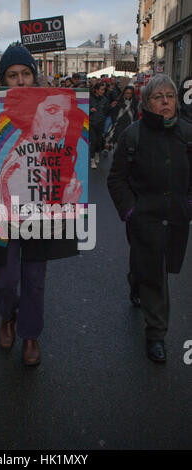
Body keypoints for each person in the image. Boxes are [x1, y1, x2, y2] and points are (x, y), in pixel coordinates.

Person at [0, 42, 79, 366]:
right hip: (2, 207)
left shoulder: (53, 108)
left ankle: (30, 335)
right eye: (12, 75)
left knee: (35, 278)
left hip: (41, 208)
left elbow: (68, 155)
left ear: (34, 76)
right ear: (3, 80)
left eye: (26, 73)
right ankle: (6, 317)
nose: (21, 80)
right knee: (6, 278)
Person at [107, 74, 192, 363]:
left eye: (170, 96)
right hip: (145, 218)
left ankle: (136, 281)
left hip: (177, 217)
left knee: (154, 266)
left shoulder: (187, 133)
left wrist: (188, 204)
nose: (166, 102)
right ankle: (156, 335)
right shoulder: (133, 135)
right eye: (158, 97)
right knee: (156, 275)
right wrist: (131, 210)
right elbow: (116, 179)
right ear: (147, 102)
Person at [105, 86, 139, 151]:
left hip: (129, 125)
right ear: (124, 93)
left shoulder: (134, 103)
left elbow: (136, 115)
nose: (128, 95)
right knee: (117, 144)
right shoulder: (118, 102)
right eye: (127, 93)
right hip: (119, 125)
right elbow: (113, 113)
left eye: (130, 93)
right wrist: (115, 121)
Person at [89, 82, 109, 169]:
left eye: (104, 90)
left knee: (99, 141)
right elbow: (84, 109)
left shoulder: (104, 99)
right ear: (96, 90)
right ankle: (92, 159)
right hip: (91, 123)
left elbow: (107, 110)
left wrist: (111, 107)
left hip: (101, 123)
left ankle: (97, 154)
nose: (103, 91)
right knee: (93, 141)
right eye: (101, 89)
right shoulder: (90, 98)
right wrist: (90, 110)